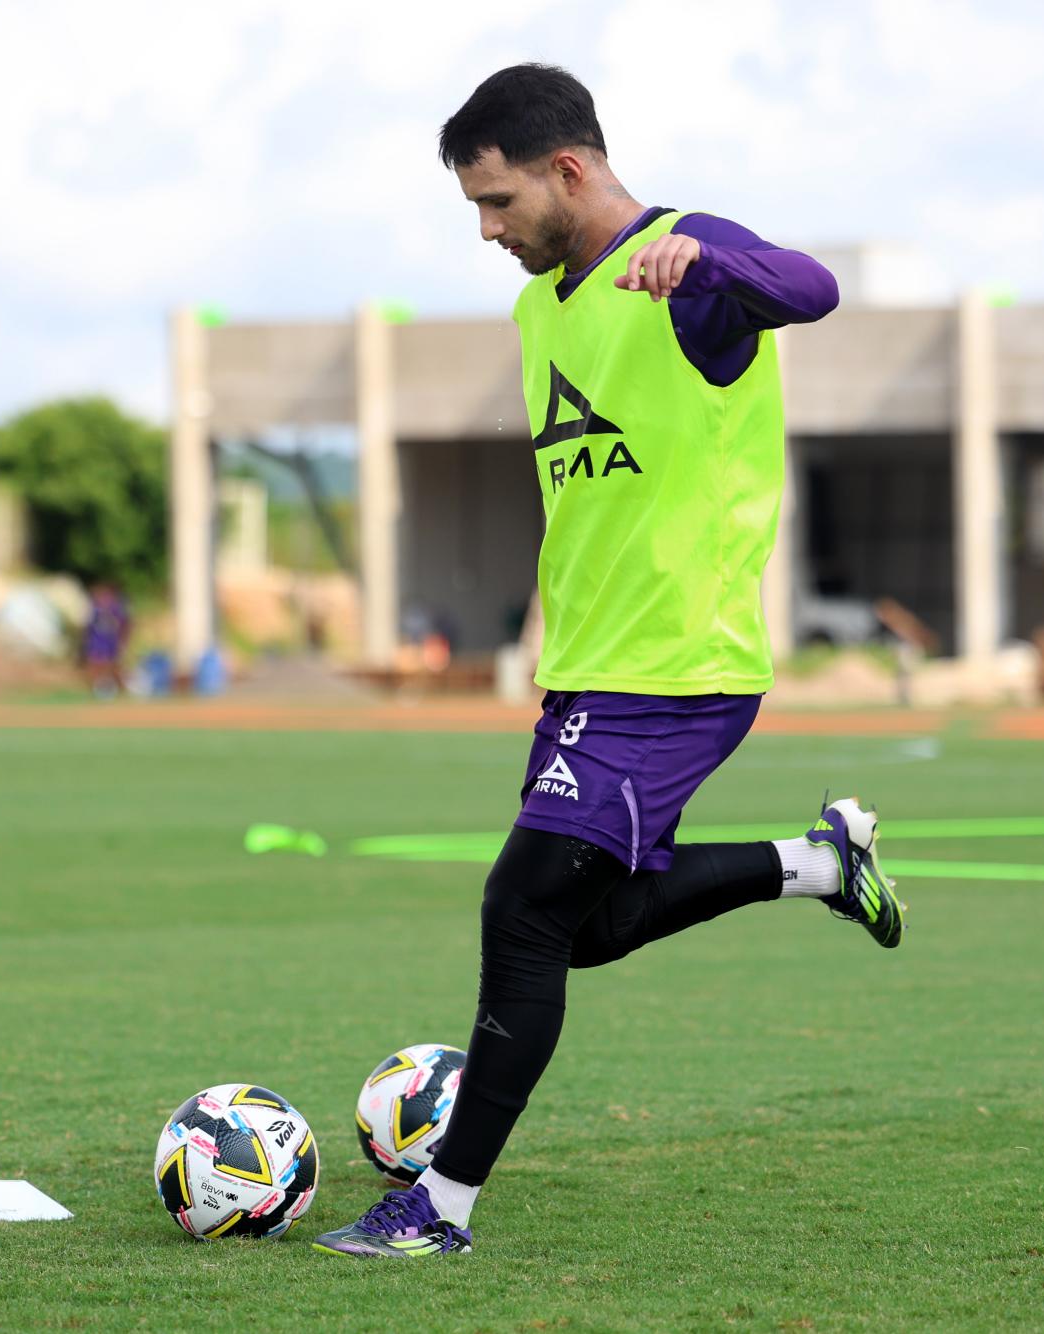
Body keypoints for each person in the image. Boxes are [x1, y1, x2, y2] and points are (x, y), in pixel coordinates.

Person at [313, 64, 904, 1262]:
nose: (485, 230)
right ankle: (816, 862)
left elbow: (816, 285)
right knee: (579, 927)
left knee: (518, 907)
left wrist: (715, 267)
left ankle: (440, 1206)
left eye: (495, 201)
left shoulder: (689, 265)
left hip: (678, 665)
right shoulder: (541, 309)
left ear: (567, 169)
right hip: (590, 672)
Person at [82, 583, 130, 697]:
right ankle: (95, 690)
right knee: (94, 666)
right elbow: (87, 626)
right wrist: (85, 641)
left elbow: (125, 624)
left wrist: (123, 640)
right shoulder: (94, 608)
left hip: (110, 643)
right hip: (96, 643)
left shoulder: (116, 608)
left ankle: (120, 690)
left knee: (113, 666)